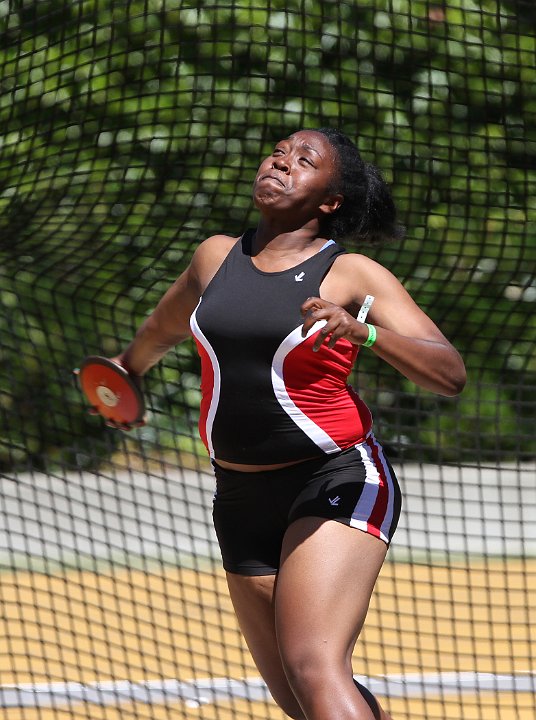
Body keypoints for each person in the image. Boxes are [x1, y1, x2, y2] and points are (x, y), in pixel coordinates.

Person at [99, 128, 466, 720]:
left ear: (331, 201)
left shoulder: (352, 274)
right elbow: (166, 325)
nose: (280, 161)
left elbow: (449, 372)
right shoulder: (214, 256)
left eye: (304, 160)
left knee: (313, 665)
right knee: (300, 698)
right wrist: (125, 371)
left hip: (336, 475)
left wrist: (363, 331)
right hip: (239, 494)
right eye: (277, 151)